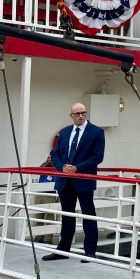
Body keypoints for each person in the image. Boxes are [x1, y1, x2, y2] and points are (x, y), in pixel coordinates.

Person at [42, 103, 105, 262]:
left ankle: (90, 251)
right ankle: (63, 250)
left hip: (83, 180)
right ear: (71, 115)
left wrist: (77, 168)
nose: (81, 116)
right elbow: (54, 154)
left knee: (88, 215)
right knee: (67, 215)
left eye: (83, 113)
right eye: (77, 113)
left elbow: (97, 157)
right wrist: (62, 167)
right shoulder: (64, 133)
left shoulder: (96, 132)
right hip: (65, 180)